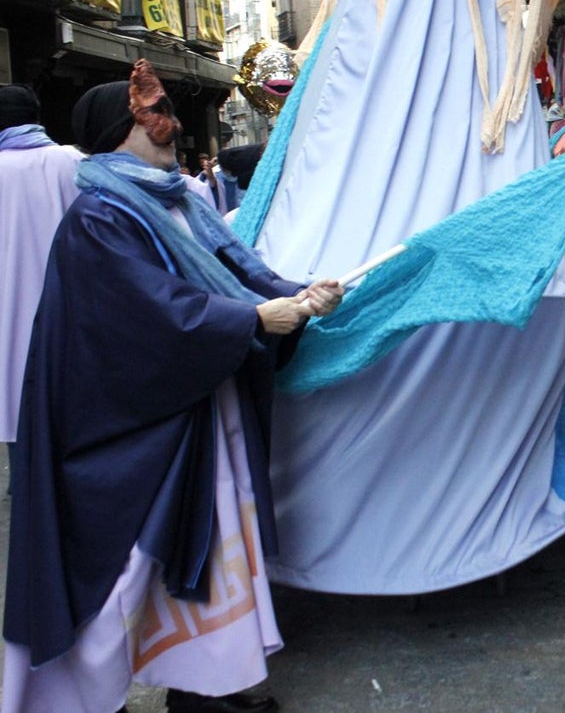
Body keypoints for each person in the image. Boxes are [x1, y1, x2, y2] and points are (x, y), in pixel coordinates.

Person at [2, 60, 344, 713]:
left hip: (200, 407)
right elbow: (146, 312)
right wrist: (248, 318)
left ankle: (209, 684)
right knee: (129, 570)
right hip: (138, 431)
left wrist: (299, 297)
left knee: (219, 543)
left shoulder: (179, 200)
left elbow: (237, 272)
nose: (174, 122)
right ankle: (90, 699)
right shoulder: (99, 217)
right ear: (119, 128)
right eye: (155, 110)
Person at [0, 84, 83, 447]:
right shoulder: (75, 163)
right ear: (37, 117)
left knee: (21, 431)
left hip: (7, 328)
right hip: (74, 323)